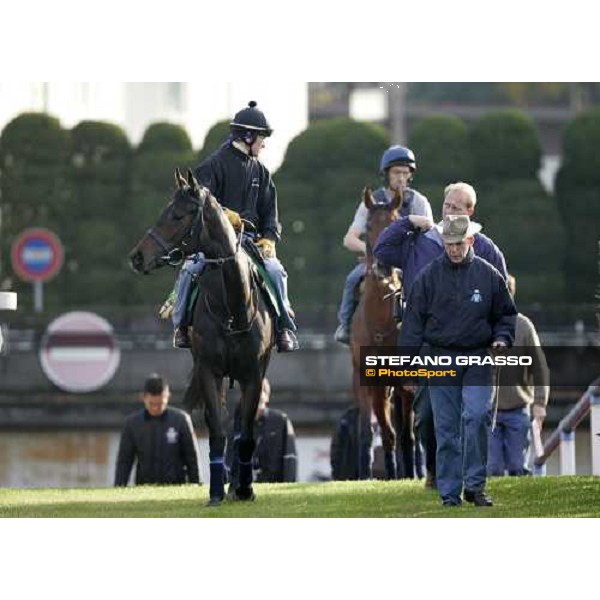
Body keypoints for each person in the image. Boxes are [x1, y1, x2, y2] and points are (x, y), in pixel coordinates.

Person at [374, 181, 508, 488]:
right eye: (446, 206)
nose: (449, 212)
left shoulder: (485, 248)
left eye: (457, 208)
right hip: (427, 346)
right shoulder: (417, 242)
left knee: (472, 415)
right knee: (429, 416)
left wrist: (499, 338)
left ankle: (467, 477)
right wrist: (407, 222)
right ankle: (434, 469)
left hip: (475, 349)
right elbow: (381, 249)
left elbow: (502, 300)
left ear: (470, 212)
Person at [399, 215, 517, 507]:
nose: (453, 249)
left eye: (458, 243)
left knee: (477, 416)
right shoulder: (427, 277)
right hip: (439, 357)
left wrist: (502, 339)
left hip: (479, 356)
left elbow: (505, 315)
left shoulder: (490, 275)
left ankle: (475, 487)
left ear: (471, 241)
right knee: (446, 428)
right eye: (448, 243)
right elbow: (412, 325)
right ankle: (449, 494)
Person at [168, 101, 299, 353]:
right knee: (190, 268)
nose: (264, 144)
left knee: (275, 271)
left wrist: (270, 238)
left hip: (251, 242)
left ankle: (284, 328)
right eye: (262, 138)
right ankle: (181, 327)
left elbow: (270, 213)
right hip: (214, 241)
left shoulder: (262, 173)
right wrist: (227, 217)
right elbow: (201, 203)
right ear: (248, 136)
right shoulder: (212, 165)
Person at [333, 145, 432, 345]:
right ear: (386, 174)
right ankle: (345, 326)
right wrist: (371, 252)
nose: (401, 177)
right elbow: (349, 239)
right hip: (375, 264)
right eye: (397, 172)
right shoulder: (371, 202)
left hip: (408, 263)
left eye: (406, 173)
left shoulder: (419, 202)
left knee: (427, 287)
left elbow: (430, 237)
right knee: (353, 279)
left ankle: (431, 330)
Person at [488, 274, 550, 476]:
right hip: (489, 412)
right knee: (493, 469)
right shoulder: (481, 326)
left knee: (517, 468)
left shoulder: (524, 326)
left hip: (518, 408)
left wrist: (540, 403)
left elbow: (540, 367)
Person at [114, 374, 201, 486]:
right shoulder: (132, 424)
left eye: (160, 404)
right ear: (144, 397)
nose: (155, 408)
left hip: (175, 488)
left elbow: (192, 458)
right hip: (144, 489)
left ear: (167, 396)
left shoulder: (181, 421)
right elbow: (124, 462)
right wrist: (119, 487)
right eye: (151, 404)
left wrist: (196, 485)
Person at [226, 378, 297, 484]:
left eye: (259, 396)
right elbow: (228, 462)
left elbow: (290, 457)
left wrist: (287, 488)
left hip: (275, 488)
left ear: (266, 397)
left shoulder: (281, 421)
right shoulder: (235, 426)